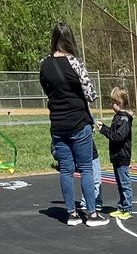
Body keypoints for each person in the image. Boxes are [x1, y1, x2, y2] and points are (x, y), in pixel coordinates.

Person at [39, 23, 108, 227]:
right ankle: (92, 214)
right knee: (86, 167)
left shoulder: (44, 64)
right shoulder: (75, 63)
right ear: (70, 40)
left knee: (66, 170)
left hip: (58, 124)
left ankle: (71, 214)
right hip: (78, 121)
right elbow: (91, 94)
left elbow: (46, 88)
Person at [97, 87, 133, 220]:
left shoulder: (123, 119)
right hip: (116, 155)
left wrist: (104, 130)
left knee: (124, 183)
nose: (112, 105)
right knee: (119, 183)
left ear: (120, 102)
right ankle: (122, 206)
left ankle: (127, 208)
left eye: (114, 102)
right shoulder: (118, 117)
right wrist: (105, 128)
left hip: (122, 155)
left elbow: (118, 137)